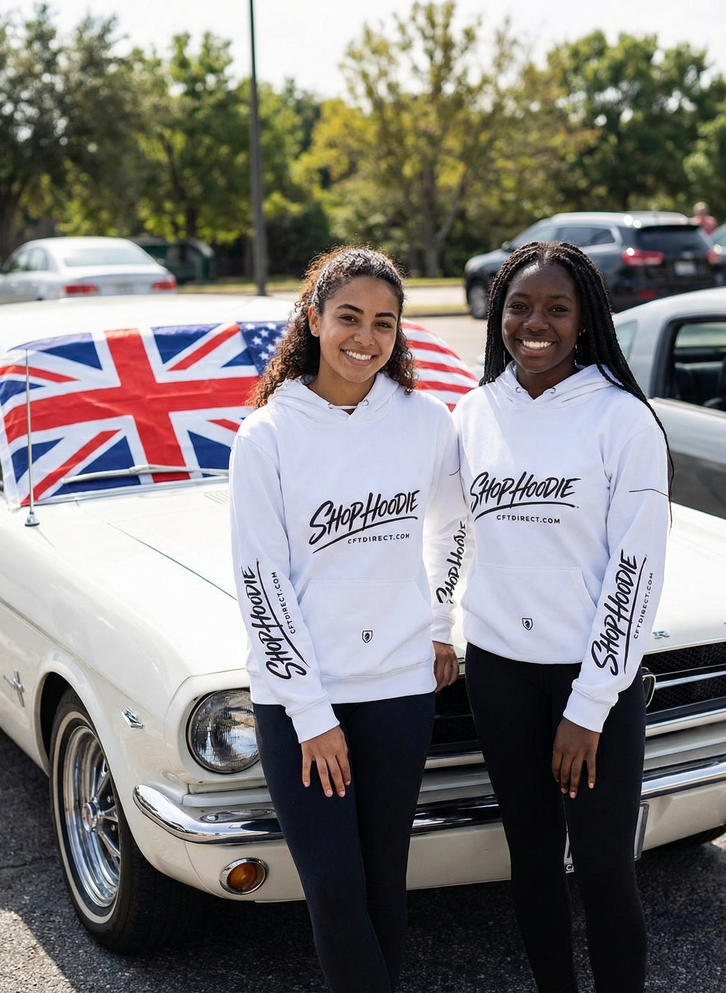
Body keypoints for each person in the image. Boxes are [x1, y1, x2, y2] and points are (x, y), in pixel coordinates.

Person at [229, 246, 466, 993]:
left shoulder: (426, 421)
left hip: (398, 689)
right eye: (349, 318)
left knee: (380, 880)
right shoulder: (267, 434)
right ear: (314, 319)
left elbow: (452, 526)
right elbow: (260, 583)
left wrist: (438, 622)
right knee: (332, 884)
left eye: (385, 323)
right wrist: (311, 712)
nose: (366, 337)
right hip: (304, 699)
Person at [453, 241, 671, 993]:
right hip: (498, 674)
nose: (534, 322)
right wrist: (438, 626)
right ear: (497, 313)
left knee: (607, 869)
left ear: (585, 320)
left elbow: (635, 571)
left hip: (592, 681)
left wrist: (588, 706)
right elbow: (452, 536)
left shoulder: (622, 420)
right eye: (519, 305)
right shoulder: (474, 413)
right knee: (532, 859)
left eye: (555, 307)